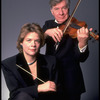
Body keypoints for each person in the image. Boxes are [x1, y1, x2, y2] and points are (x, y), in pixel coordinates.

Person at [42, 0, 93, 100]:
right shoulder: (48, 25)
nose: (61, 13)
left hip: (71, 81)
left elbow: (81, 58)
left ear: (68, 9)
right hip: (51, 79)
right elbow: (38, 41)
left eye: (64, 8)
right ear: (52, 11)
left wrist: (82, 43)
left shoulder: (78, 27)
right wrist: (47, 32)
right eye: (57, 9)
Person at [1, 23, 60, 100]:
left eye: (37, 41)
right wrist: (38, 88)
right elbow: (15, 93)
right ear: (21, 43)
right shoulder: (8, 64)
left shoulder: (51, 61)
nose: (33, 44)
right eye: (29, 40)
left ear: (40, 43)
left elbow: (56, 91)